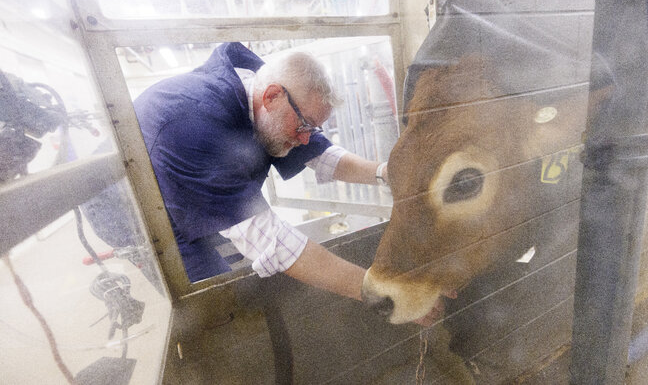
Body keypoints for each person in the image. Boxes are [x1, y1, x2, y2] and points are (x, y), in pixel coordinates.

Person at [133, 42, 447, 325]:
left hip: (192, 190)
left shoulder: (264, 95)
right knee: (217, 309)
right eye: (304, 126)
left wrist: (386, 173)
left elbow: (322, 155)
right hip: (146, 216)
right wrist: (383, 293)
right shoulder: (193, 126)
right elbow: (274, 243)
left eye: (314, 127)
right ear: (271, 96)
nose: (306, 138)